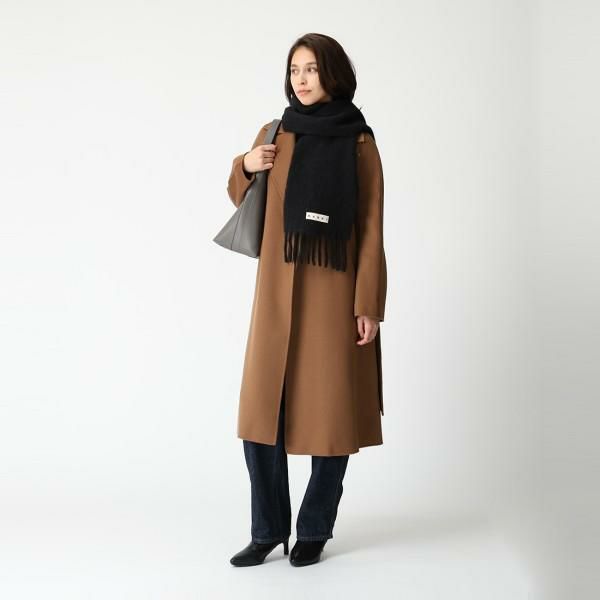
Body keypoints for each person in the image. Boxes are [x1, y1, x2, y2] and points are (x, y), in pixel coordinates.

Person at [226, 33, 387, 567]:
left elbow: (371, 225)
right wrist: (247, 163)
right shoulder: (275, 133)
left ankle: (314, 529)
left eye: (312, 69)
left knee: (330, 418)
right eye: (295, 69)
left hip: (333, 296)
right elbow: (239, 194)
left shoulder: (359, 142)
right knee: (260, 417)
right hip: (276, 295)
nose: (301, 79)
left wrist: (368, 304)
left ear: (333, 74)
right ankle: (267, 530)